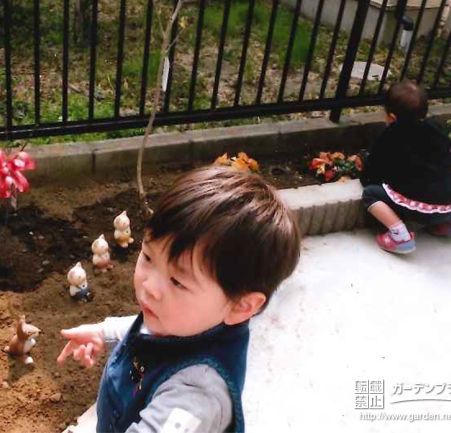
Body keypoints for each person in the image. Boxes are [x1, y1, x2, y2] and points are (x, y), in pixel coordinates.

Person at [57, 166, 301, 433]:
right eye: (148, 257)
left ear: (241, 305)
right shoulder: (178, 319)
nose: (150, 286)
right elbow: (145, 329)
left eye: (177, 281)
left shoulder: (194, 396)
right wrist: (103, 331)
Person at [361, 79, 451, 254]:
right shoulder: (435, 128)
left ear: (392, 117)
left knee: (371, 194)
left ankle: (400, 236)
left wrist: (368, 177)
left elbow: (371, 172)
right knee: (436, 191)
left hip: (418, 210)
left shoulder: (391, 135)